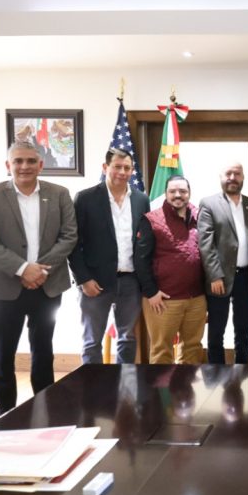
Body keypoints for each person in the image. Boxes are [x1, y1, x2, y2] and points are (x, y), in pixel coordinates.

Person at [0, 141, 77, 415]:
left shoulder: (59, 194)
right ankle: (5, 415)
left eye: (31, 161)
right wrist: (22, 269)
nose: (24, 166)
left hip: (47, 286)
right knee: (2, 354)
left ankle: (44, 409)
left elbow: (69, 236)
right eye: (18, 161)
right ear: (8, 165)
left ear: (41, 165)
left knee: (43, 351)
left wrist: (40, 271)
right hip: (2, 288)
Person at [69, 147, 150, 364]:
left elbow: (144, 242)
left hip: (131, 281)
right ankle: (93, 385)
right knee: (92, 341)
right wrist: (83, 279)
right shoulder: (85, 198)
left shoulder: (141, 200)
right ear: (105, 167)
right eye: (117, 167)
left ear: (132, 170)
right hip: (95, 282)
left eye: (127, 168)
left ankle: (123, 384)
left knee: (128, 338)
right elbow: (73, 243)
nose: (122, 172)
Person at [198, 162, 248, 364]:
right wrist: (215, 276)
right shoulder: (209, 204)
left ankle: (242, 371)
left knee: (243, 330)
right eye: (228, 173)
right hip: (220, 278)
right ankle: (216, 373)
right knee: (216, 332)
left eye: (237, 174)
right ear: (221, 177)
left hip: (246, 277)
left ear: (243, 177)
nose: (232, 178)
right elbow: (206, 244)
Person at [135, 175, 206, 364]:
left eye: (182, 191)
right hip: (163, 300)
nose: (178, 195)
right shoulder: (151, 220)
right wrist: (151, 292)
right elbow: (141, 260)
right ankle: (161, 386)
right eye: (172, 191)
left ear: (189, 193)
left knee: (193, 348)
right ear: (165, 194)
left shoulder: (200, 216)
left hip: (196, 299)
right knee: (161, 350)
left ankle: (187, 385)